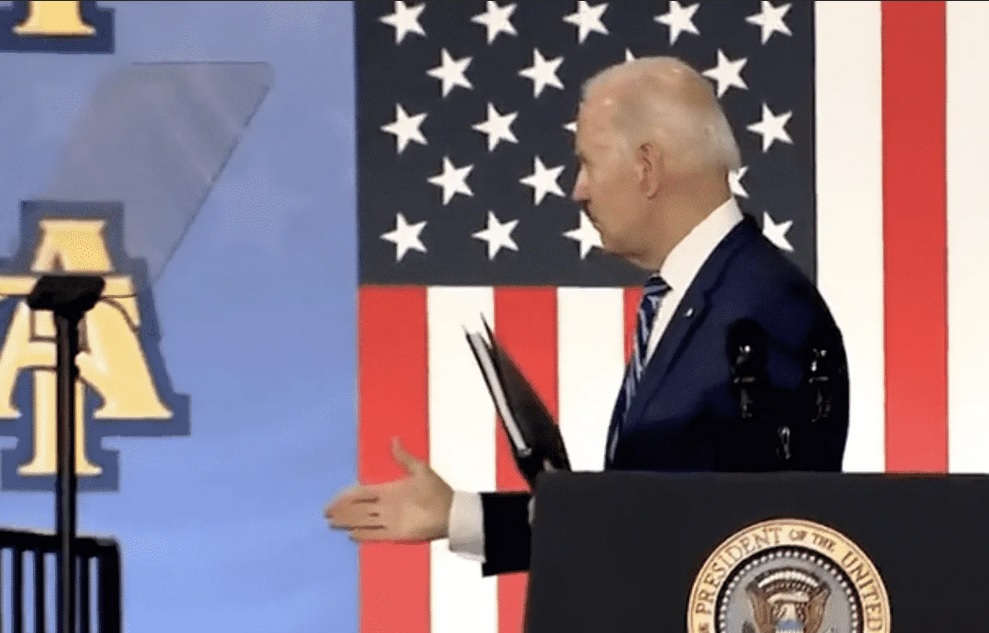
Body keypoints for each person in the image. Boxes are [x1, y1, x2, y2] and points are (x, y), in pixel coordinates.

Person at [325, 56, 849, 576]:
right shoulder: (707, 293)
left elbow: (752, 545)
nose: (578, 189)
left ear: (646, 168)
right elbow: (637, 519)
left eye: (588, 163)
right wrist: (458, 515)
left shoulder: (762, 313)